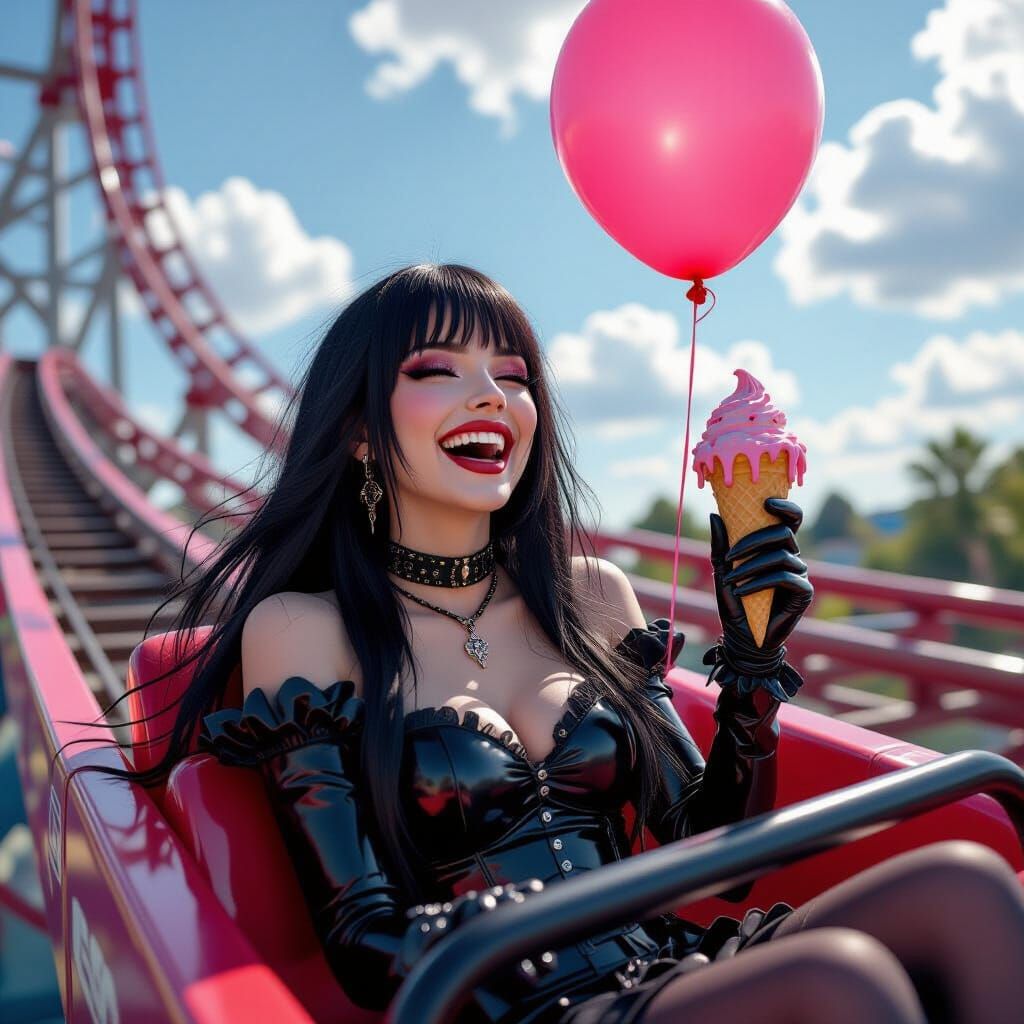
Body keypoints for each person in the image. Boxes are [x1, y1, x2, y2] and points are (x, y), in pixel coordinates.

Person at [136, 264, 1024, 1023]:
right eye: (438, 370)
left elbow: (717, 853)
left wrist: (753, 664)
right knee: (842, 983)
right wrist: (516, 915)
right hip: (514, 1001)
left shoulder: (594, 597)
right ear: (360, 429)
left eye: (513, 374)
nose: (492, 393)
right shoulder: (304, 628)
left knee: (968, 884)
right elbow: (363, 944)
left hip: (659, 957)